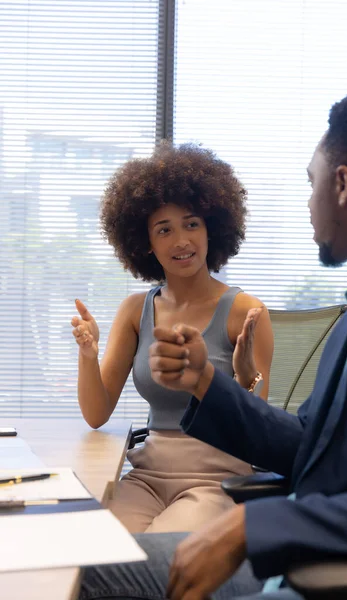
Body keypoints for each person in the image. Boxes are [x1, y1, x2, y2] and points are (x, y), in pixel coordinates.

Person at [79, 87, 347, 600]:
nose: (307, 201)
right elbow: (307, 446)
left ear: (342, 185)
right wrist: (205, 381)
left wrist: (258, 528)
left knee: (89, 579)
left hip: (330, 573)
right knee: (76, 565)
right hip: (297, 557)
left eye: (310, 182)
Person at [71, 142, 273, 534]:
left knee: (156, 566)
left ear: (212, 227)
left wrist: (245, 375)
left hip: (214, 480)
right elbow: (97, 415)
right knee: (96, 557)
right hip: (146, 476)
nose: (182, 240)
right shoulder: (134, 310)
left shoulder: (245, 312)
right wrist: (87, 354)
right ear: (146, 242)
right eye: (165, 229)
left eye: (192, 224)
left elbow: (256, 428)